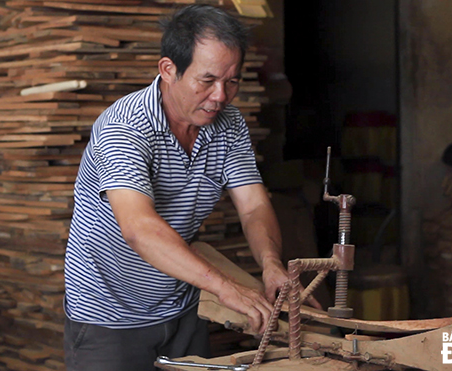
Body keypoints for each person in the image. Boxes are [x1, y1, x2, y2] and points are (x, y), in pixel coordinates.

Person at [63, 5, 319, 371]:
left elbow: (253, 207)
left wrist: (271, 265)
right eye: (207, 80)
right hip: (108, 317)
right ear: (168, 70)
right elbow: (140, 230)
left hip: (182, 309)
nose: (220, 96)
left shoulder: (228, 124)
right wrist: (226, 287)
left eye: (232, 81)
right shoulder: (125, 128)